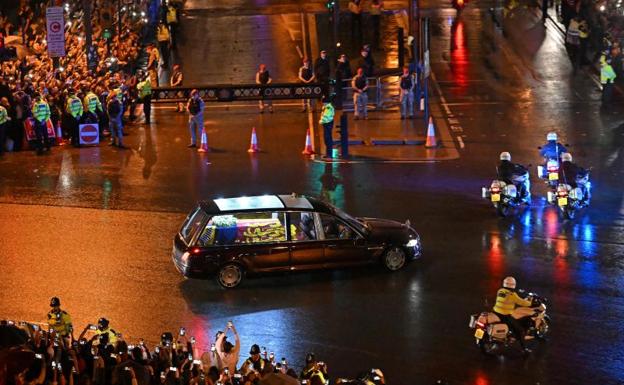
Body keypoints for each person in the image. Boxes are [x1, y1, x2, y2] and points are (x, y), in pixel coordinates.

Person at [492, 276, 533, 353]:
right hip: (505, 315)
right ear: (513, 284)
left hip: (496, 312)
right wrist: (531, 302)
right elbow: (521, 302)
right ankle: (524, 349)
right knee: (520, 330)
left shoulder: (500, 291)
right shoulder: (512, 295)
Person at [319, 94, 335, 158]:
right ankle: (328, 154)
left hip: (328, 124)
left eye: (323, 102)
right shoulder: (326, 107)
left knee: (328, 139)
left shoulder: (328, 108)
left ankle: (329, 155)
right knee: (327, 139)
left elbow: (326, 117)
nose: (322, 104)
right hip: (327, 124)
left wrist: (321, 121)